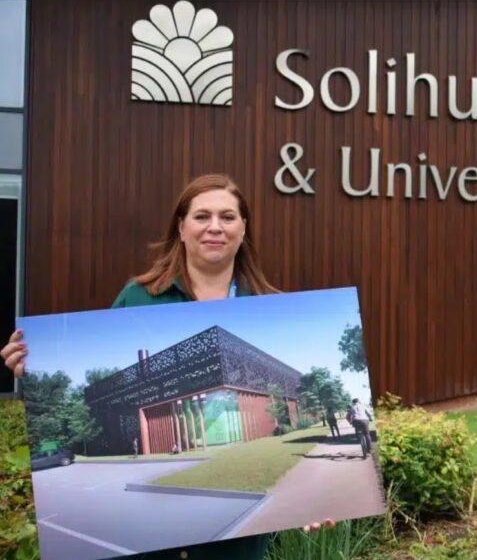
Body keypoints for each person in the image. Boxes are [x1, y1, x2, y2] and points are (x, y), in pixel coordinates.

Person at [2, 173, 281, 560]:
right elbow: (97, 358)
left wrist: (321, 509)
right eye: (201, 216)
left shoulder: (269, 305)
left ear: (243, 228)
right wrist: (32, 371)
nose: (215, 227)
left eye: (228, 217)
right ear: (181, 228)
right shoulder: (138, 297)